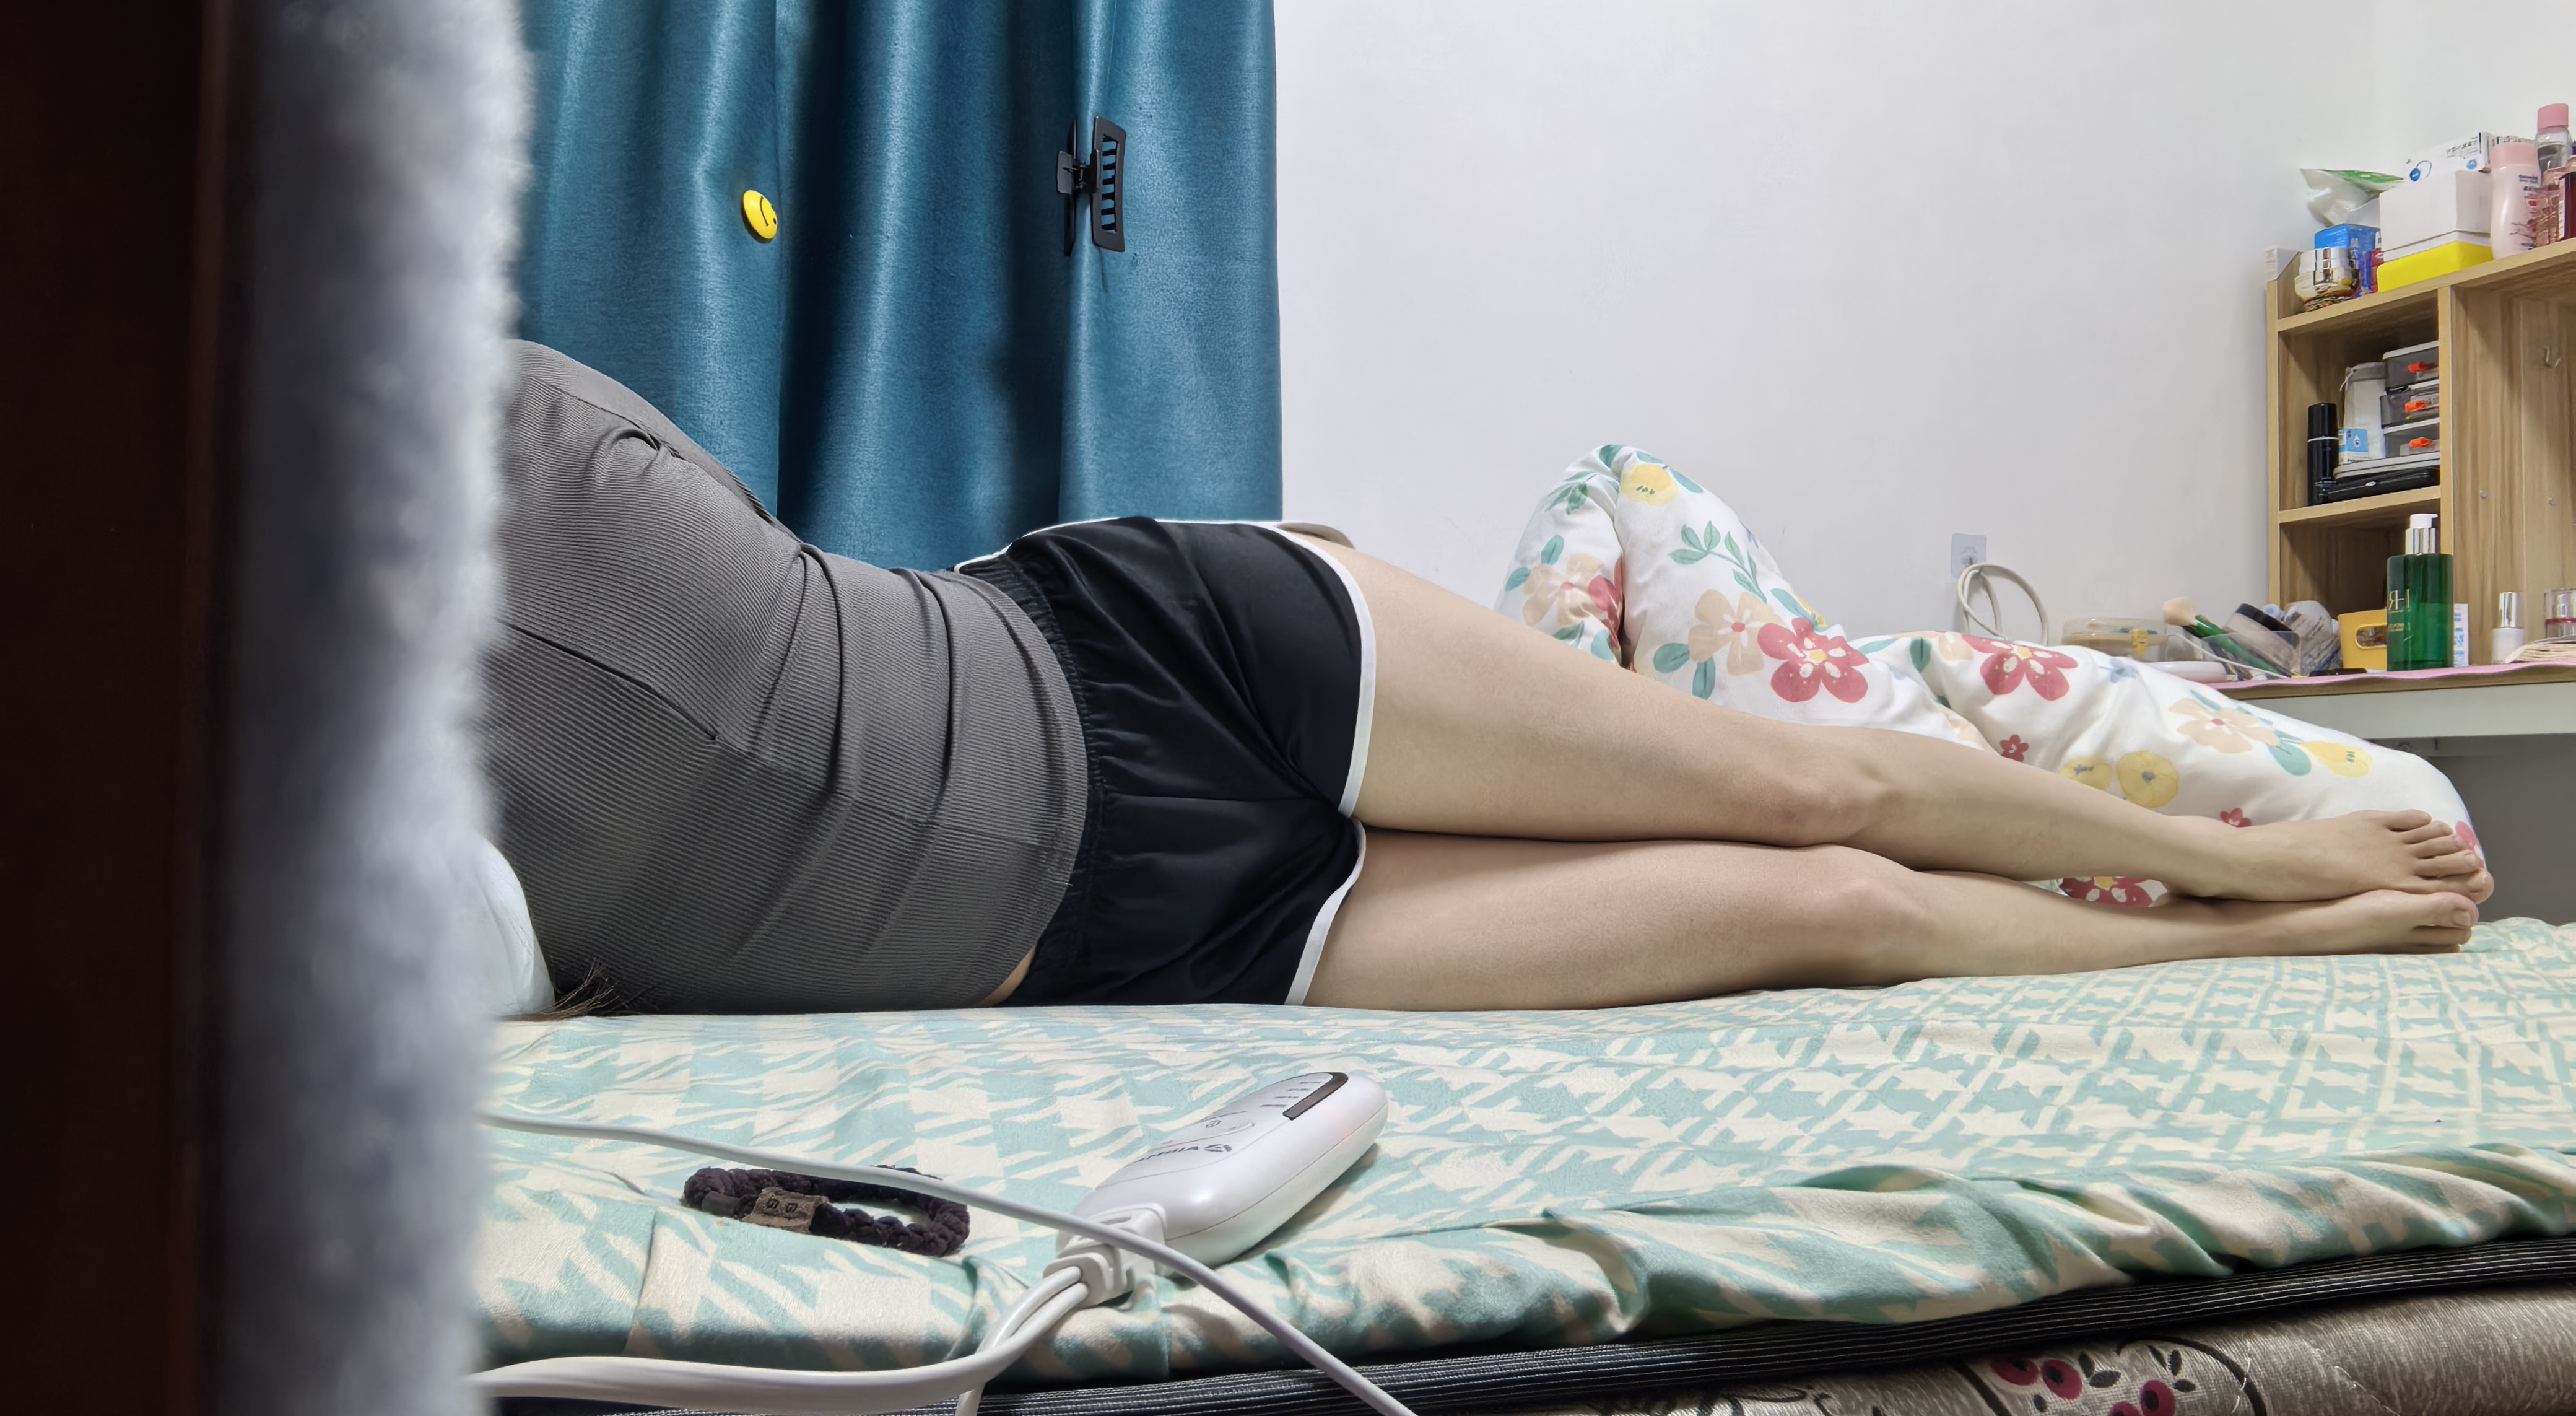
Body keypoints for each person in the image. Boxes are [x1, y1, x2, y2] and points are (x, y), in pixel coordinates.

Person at [483, 344, 2488, 1018]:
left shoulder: (506, 430)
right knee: (1834, 912)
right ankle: (2273, 941)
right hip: (1167, 945)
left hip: (1161, 662)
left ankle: (2258, 865)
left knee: (1810, 788)